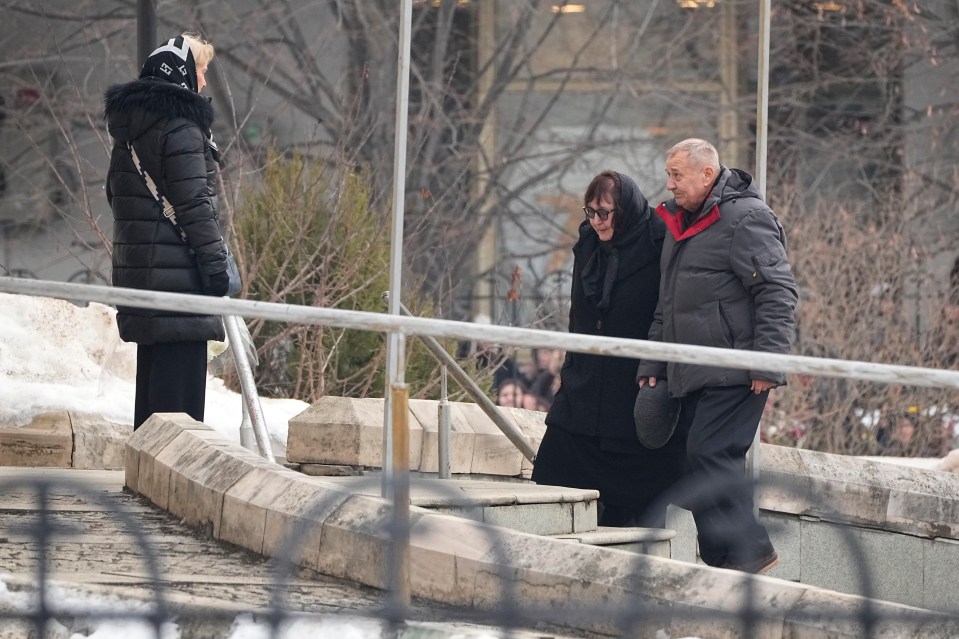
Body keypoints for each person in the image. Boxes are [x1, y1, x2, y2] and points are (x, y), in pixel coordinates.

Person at [637, 138, 798, 574]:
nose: (669, 184)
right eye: (668, 174)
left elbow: (777, 292)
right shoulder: (681, 224)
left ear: (707, 174)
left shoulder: (747, 218)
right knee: (694, 463)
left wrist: (767, 361)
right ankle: (723, 560)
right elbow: (665, 305)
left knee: (710, 455)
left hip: (737, 369)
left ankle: (752, 555)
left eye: (676, 175)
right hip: (691, 370)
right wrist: (654, 363)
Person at [532, 171, 685, 528]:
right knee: (553, 474)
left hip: (633, 389)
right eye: (591, 212)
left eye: (605, 212)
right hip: (584, 389)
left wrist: (655, 365)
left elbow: (666, 314)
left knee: (635, 509)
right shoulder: (588, 243)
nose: (597, 221)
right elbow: (579, 313)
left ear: (626, 210)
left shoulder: (657, 242)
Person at [104, 33, 231, 429]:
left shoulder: (129, 131)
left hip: (142, 278)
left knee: (152, 407)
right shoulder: (180, 127)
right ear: (181, 73)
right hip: (180, 288)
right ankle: (166, 493)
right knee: (179, 418)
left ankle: (143, 485)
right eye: (201, 70)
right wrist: (217, 271)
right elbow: (196, 207)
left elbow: (114, 195)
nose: (204, 81)